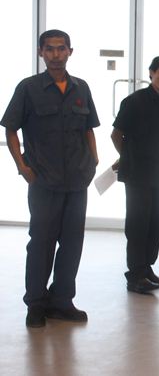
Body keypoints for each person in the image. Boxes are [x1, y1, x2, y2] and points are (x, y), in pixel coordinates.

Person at [1, 29, 99, 328]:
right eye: (50, 49)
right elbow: (10, 129)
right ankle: (36, 303)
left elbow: (88, 128)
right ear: (41, 53)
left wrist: (94, 160)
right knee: (41, 243)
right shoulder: (28, 88)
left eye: (61, 48)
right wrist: (22, 166)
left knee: (72, 243)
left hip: (77, 181)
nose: (56, 54)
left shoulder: (81, 87)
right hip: (44, 180)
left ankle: (62, 301)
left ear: (70, 51)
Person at [111, 55, 159, 294]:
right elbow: (116, 135)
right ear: (151, 73)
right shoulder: (134, 101)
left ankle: (146, 268)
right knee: (138, 222)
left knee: (156, 219)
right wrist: (127, 156)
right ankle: (135, 275)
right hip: (137, 172)